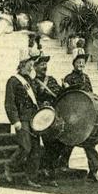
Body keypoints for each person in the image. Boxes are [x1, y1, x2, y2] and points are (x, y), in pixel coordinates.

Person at [3, 49, 42, 188]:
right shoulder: (13, 81)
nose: (32, 66)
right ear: (22, 64)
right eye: (29, 64)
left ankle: (31, 178)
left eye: (32, 63)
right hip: (22, 119)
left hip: (34, 119)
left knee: (36, 150)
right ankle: (9, 165)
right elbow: (9, 103)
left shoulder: (32, 81)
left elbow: (37, 99)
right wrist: (15, 121)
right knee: (25, 147)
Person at [62, 53, 98, 181]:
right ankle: (62, 165)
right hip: (73, 115)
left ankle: (93, 171)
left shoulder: (86, 78)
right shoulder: (68, 78)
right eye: (79, 62)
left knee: (89, 143)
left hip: (86, 115)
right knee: (69, 141)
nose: (81, 65)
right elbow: (66, 96)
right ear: (74, 64)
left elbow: (91, 94)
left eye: (83, 63)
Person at [32, 54, 64, 184]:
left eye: (45, 64)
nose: (44, 67)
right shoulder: (33, 82)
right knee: (50, 144)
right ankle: (50, 175)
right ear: (35, 67)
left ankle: (47, 167)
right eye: (41, 64)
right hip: (43, 118)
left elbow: (59, 94)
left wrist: (64, 87)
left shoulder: (52, 80)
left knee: (60, 144)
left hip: (55, 116)